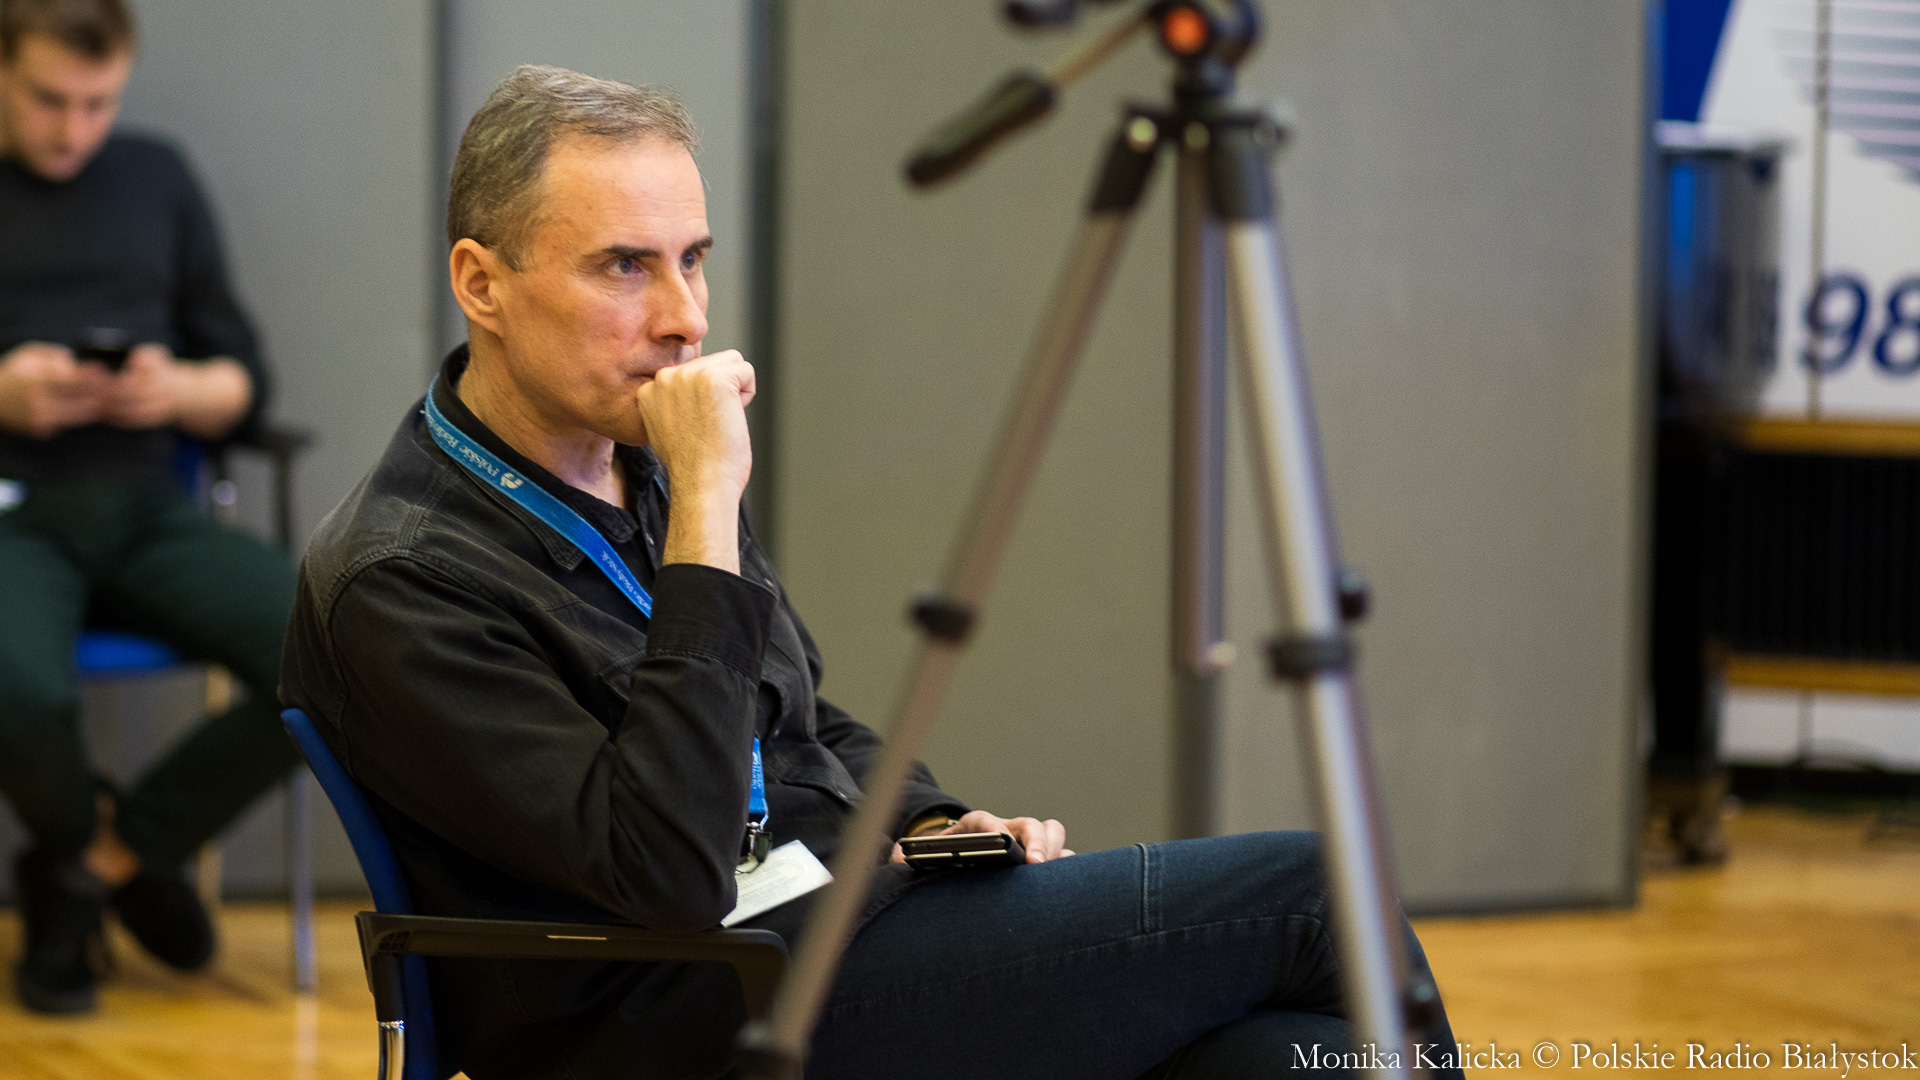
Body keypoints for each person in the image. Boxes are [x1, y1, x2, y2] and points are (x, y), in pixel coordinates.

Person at [280, 64, 1464, 1080]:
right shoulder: (402, 576)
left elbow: (798, 720)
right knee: (1318, 892)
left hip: (827, 927)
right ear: (482, 283)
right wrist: (707, 504)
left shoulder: (642, 458)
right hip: (677, 1006)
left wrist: (935, 823)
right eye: (625, 267)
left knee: (1293, 1058)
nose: (685, 317)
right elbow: (665, 876)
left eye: (693, 259)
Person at [0, 0, 299, 1013]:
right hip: (13, 513)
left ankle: (96, 869)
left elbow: (243, 379)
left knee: (330, 651)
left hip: (145, 505)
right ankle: (104, 858)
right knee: (18, 695)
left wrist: (176, 392)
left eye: (99, 103)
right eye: (50, 100)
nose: (74, 129)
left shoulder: (155, 176)